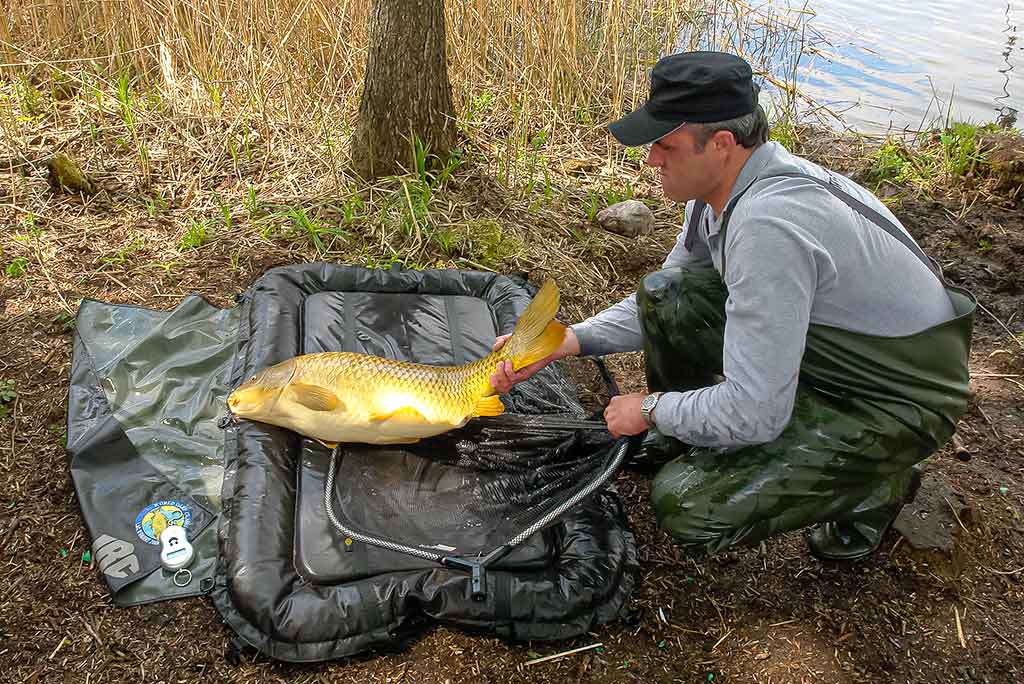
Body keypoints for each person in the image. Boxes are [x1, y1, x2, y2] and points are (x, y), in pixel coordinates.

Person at [490, 51, 975, 561]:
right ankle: (694, 434)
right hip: (830, 353)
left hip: (897, 398)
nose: (651, 158)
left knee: (687, 505)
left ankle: (878, 484)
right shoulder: (721, 189)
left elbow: (758, 412)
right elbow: (670, 293)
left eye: (665, 144)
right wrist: (569, 340)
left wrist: (651, 409)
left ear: (721, 144)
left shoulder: (769, 227)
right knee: (668, 292)